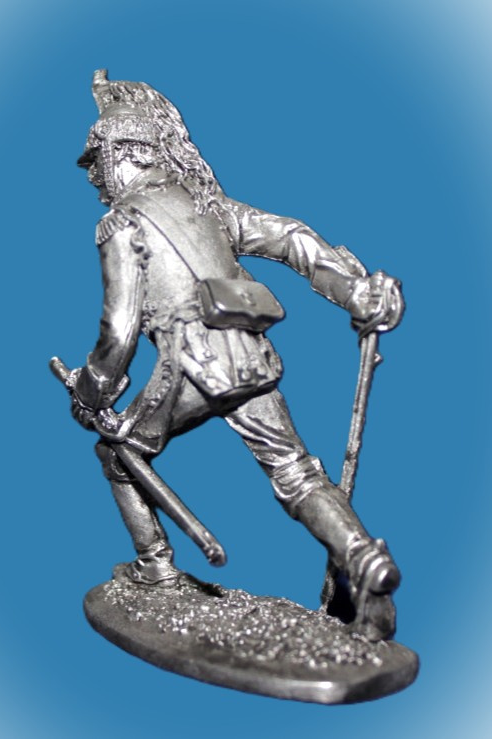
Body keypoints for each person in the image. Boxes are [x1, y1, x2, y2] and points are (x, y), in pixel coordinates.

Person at [69, 69, 405, 641]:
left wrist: (91, 390)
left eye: (97, 162)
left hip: (189, 367)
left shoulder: (121, 223)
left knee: (118, 453)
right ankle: (363, 558)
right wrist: (353, 290)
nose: (96, 177)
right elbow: (291, 237)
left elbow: (119, 332)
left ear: (127, 153)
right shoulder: (208, 206)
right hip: (248, 356)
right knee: (295, 471)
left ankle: (156, 567)